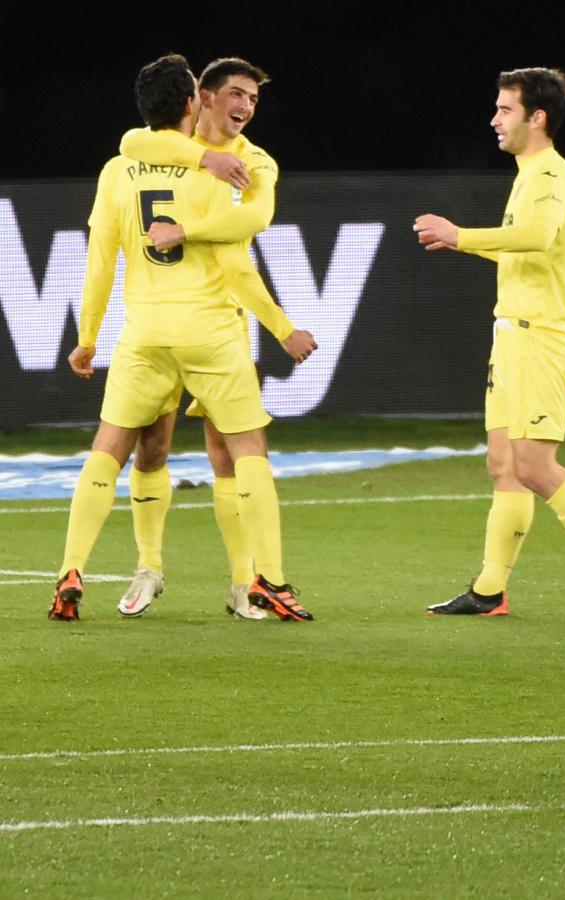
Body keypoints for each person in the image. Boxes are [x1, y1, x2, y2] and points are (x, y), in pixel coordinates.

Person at [49, 53, 311, 623]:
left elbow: (101, 254)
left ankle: (236, 582)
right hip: (213, 328)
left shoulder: (144, 161)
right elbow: (240, 259)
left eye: (254, 98)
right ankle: (243, 577)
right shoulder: (208, 167)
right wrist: (284, 328)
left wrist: (87, 334)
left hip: (145, 330)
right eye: (235, 94)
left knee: (139, 448)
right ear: (201, 98)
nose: (245, 106)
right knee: (212, 451)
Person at [414, 67, 565, 617]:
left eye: (504, 110)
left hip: (543, 337)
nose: (494, 119)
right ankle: (490, 590)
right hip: (511, 337)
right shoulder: (527, 174)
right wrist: (462, 246)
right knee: (504, 464)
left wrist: (461, 234)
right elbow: (523, 249)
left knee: (536, 465)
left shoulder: (551, 174)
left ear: (536, 117)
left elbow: (540, 238)